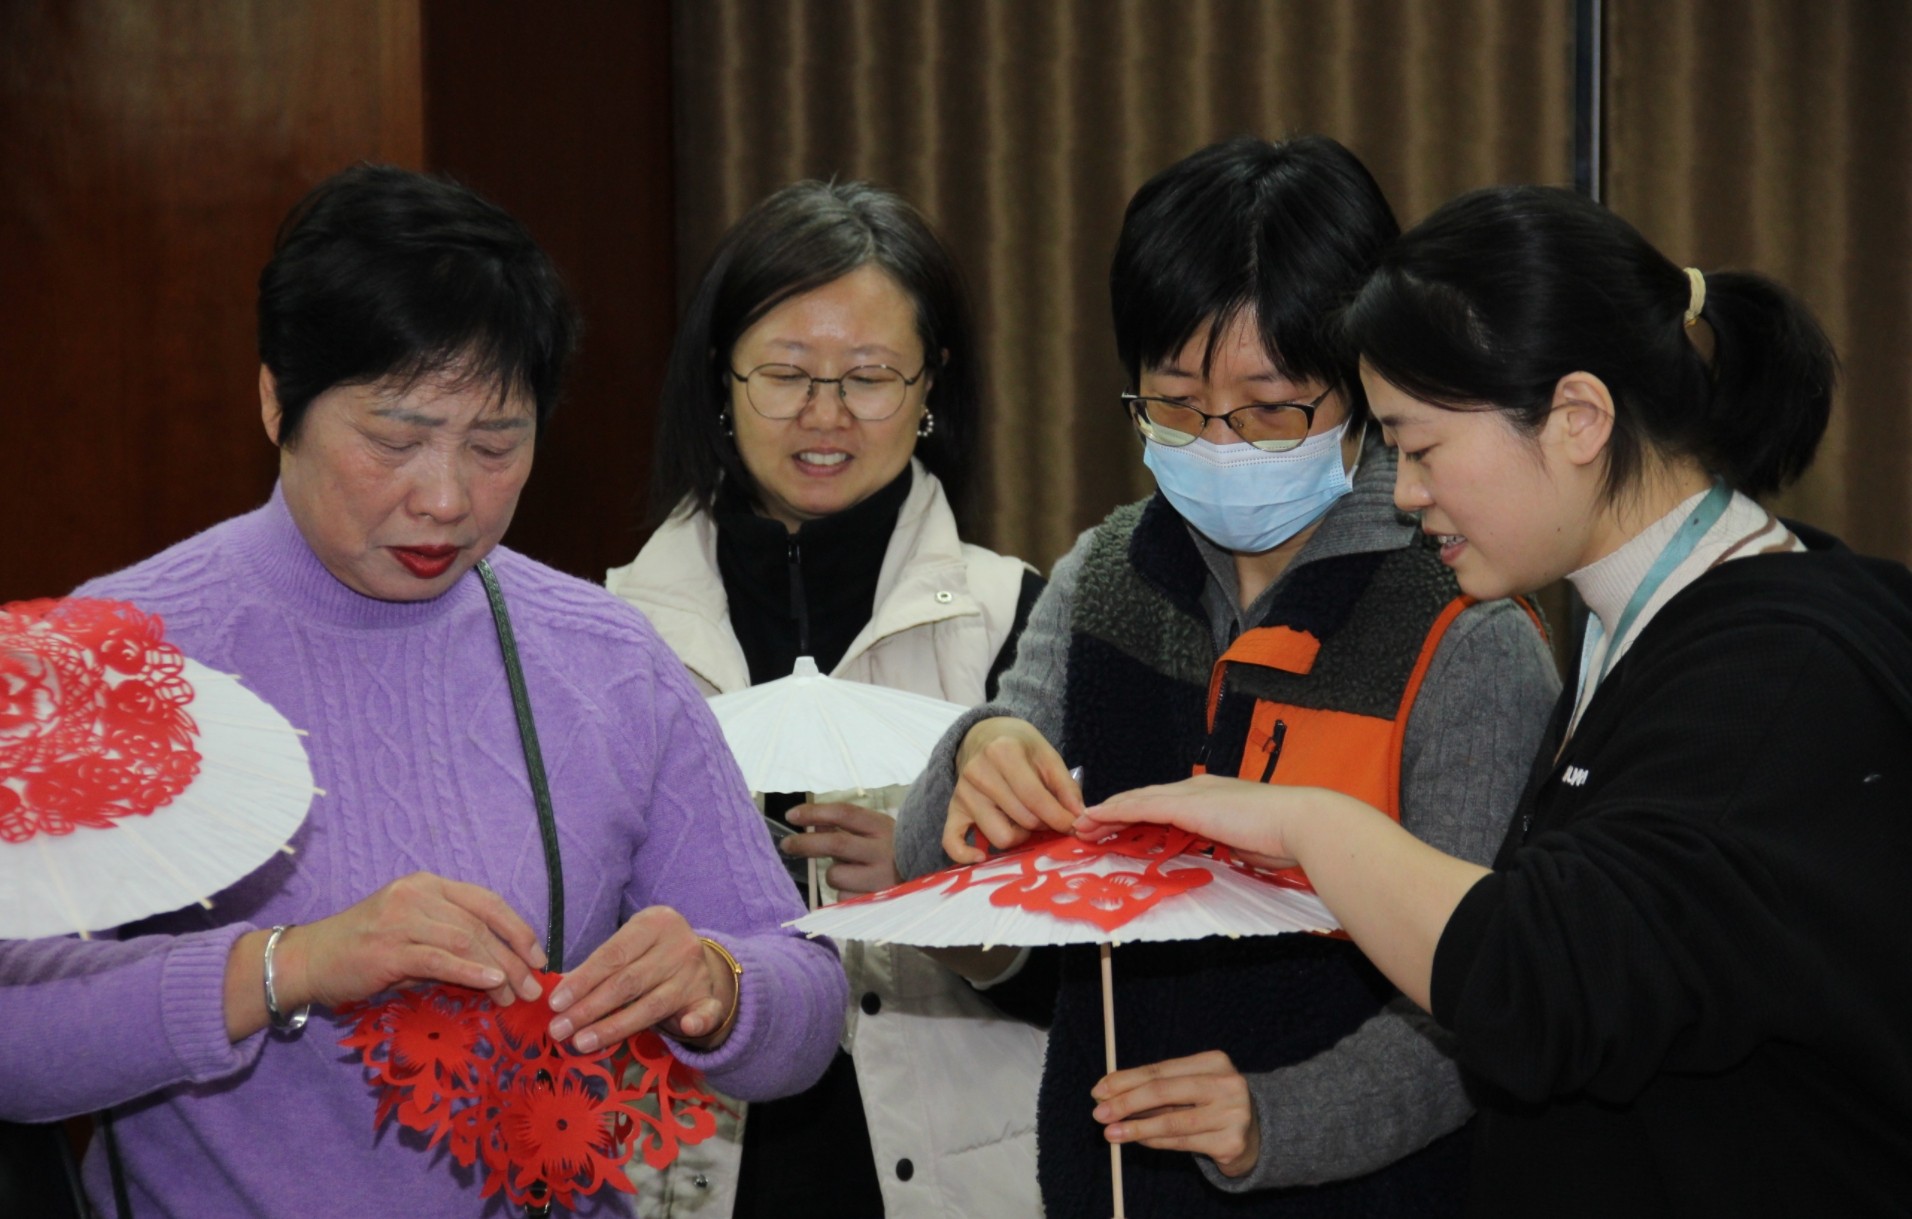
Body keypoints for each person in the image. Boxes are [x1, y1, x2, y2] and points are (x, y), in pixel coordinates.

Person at [0, 165, 846, 1216]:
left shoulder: (607, 659)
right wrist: (290, 965)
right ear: (276, 400)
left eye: (495, 444)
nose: (446, 497)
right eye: (395, 440)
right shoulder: (115, 658)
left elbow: (810, 1000)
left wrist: (720, 986)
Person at [1079, 185, 1912, 1216]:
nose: (1405, 492)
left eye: (1421, 447)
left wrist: (1304, 820)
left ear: (1577, 419)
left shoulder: (1775, 671)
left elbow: (1538, 980)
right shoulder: (1650, 626)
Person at [892, 136, 1560, 1217]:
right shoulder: (1107, 574)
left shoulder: (1462, 623)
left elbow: (1487, 998)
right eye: (1174, 402)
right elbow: (940, 885)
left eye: (1270, 407)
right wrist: (979, 754)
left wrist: (1277, 1116)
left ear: (1364, 387)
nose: (1219, 441)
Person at [605, 180, 1048, 1219]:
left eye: (869, 377)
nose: (825, 414)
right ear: (721, 381)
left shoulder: (1015, 617)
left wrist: (933, 889)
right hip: (685, 1172)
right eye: (786, 374)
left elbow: (1097, 973)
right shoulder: (610, 635)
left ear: (930, 387)